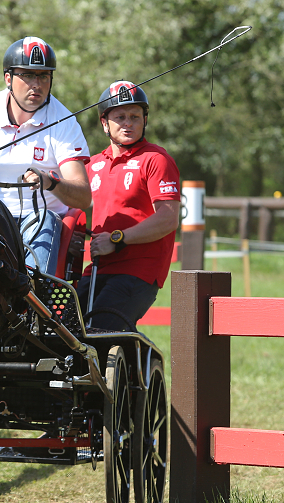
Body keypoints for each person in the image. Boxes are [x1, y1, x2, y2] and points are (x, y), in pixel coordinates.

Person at [0, 36, 91, 274]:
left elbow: (83, 197)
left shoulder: (64, 122)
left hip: (38, 221)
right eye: (28, 75)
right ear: (8, 79)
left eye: (44, 76)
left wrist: (51, 183)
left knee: (43, 219)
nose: (37, 84)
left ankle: (32, 297)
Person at [75, 80, 181, 331]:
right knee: (64, 328)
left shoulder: (156, 159)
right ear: (104, 123)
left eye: (135, 116)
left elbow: (168, 218)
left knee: (102, 328)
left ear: (145, 120)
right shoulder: (92, 164)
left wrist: (117, 239)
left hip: (139, 269)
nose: (128, 123)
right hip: (97, 268)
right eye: (120, 116)